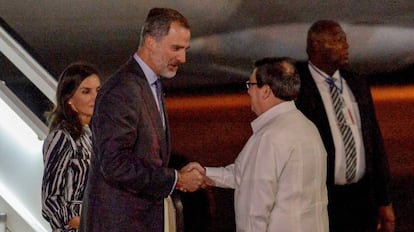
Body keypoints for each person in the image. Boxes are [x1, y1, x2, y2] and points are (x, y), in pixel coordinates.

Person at [79, 8, 206, 232]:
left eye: (185, 49)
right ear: (150, 42)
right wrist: (176, 179)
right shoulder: (123, 89)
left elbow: (144, 155)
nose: (182, 58)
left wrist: (178, 173)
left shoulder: (147, 85)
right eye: (176, 48)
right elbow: (115, 164)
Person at [192, 57, 329, 231]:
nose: (249, 92)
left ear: (265, 91)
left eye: (251, 85)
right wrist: (206, 174)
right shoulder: (308, 127)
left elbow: (254, 212)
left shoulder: (269, 137)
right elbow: (248, 174)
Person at [295, 20, 395, 232]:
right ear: (317, 46)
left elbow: (374, 143)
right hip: (321, 203)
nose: (346, 46)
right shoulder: (297, 89)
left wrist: (384, 201)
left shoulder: (357, 83)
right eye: (339, 41)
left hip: (361, 201)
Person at [41, 62, 101, 231]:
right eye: (86, 92)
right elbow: (51, 200)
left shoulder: (91, 136)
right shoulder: (62, 137)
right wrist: (83, 224)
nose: (95, 97)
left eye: (98, 90)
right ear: (69, 99)